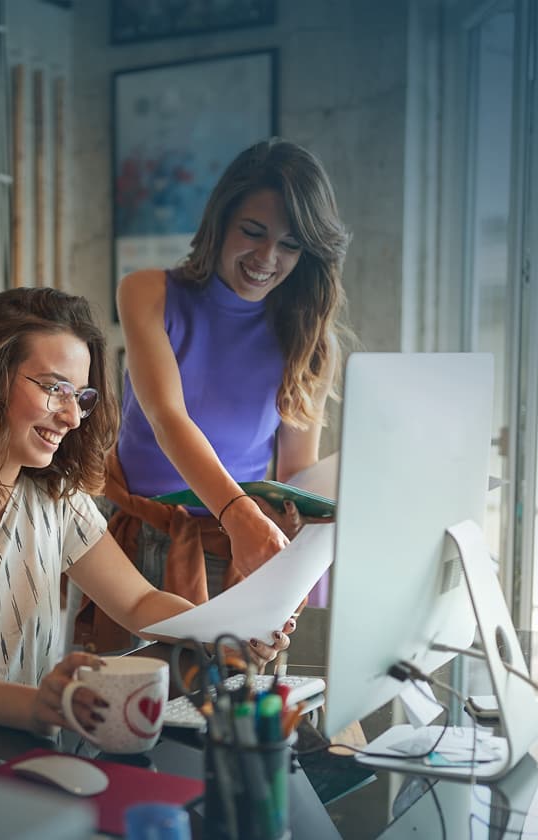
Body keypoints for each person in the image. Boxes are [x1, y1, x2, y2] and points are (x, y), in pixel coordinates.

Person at [0, 287, 291, 769]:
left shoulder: (54, 496)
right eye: (53, 388)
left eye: (80, 396)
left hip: (23, 766)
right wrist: (40, 705)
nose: (71, 416)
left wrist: (226, 629)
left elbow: (137, 603)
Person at [86, 139, 353, 649]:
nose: (266, 258)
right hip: (137, 537)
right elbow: (167, 418)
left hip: (241, 549)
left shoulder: (312, 340)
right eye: (252, 232)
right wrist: (241, 515)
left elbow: (296, 471)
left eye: (290, 245)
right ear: (220, 222)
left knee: (229, 715)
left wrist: (299, 523)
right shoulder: (147, 292)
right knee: (131, 706)